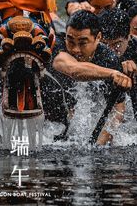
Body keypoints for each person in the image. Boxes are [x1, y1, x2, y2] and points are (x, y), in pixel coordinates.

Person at [52, 10, 132, 145]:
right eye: (70, 41)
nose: (75, 49)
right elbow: (72, 69)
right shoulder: (57, 43)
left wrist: (100, 144)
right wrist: (112, 74)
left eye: (83, 43)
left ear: (98, 38)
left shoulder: (109, 60)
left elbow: (118, 109)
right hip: (50, 121)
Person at [99, 9, 137, 119]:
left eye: (117, 44)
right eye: (105, 44)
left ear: (129, 37)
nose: (110, 51)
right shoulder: (92, 49)